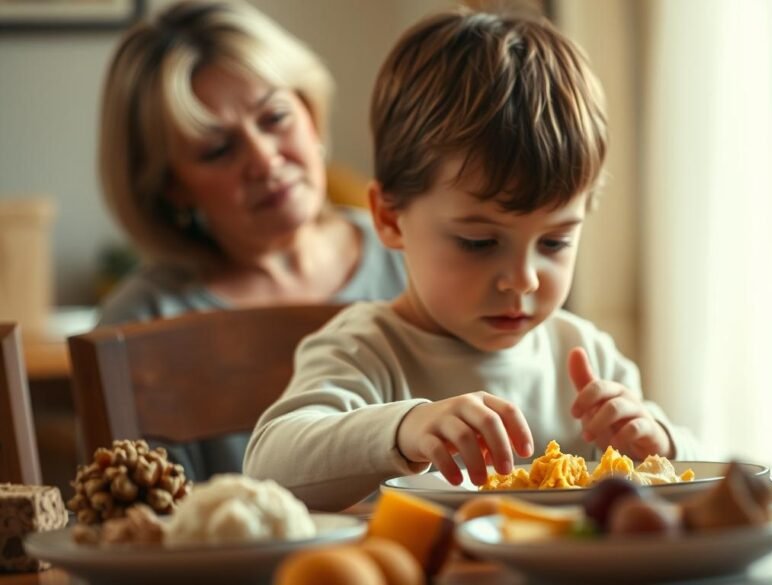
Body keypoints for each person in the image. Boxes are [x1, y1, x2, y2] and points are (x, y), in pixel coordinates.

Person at [244, 9, 699, 510]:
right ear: (391, 219)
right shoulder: (364, 351)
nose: (522, 280)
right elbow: (268, 468)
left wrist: (660, 446)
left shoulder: (584, 355)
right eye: (479, 243)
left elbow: (701, 476)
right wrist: (404, 429)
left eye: (554, 243)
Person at [95, 0, 405, 480]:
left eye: (274, 118)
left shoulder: (417, 254)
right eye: (219, 149)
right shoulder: (139, 323)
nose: (263, 159)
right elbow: (137, 531)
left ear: (310, 111)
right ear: (170, 186)